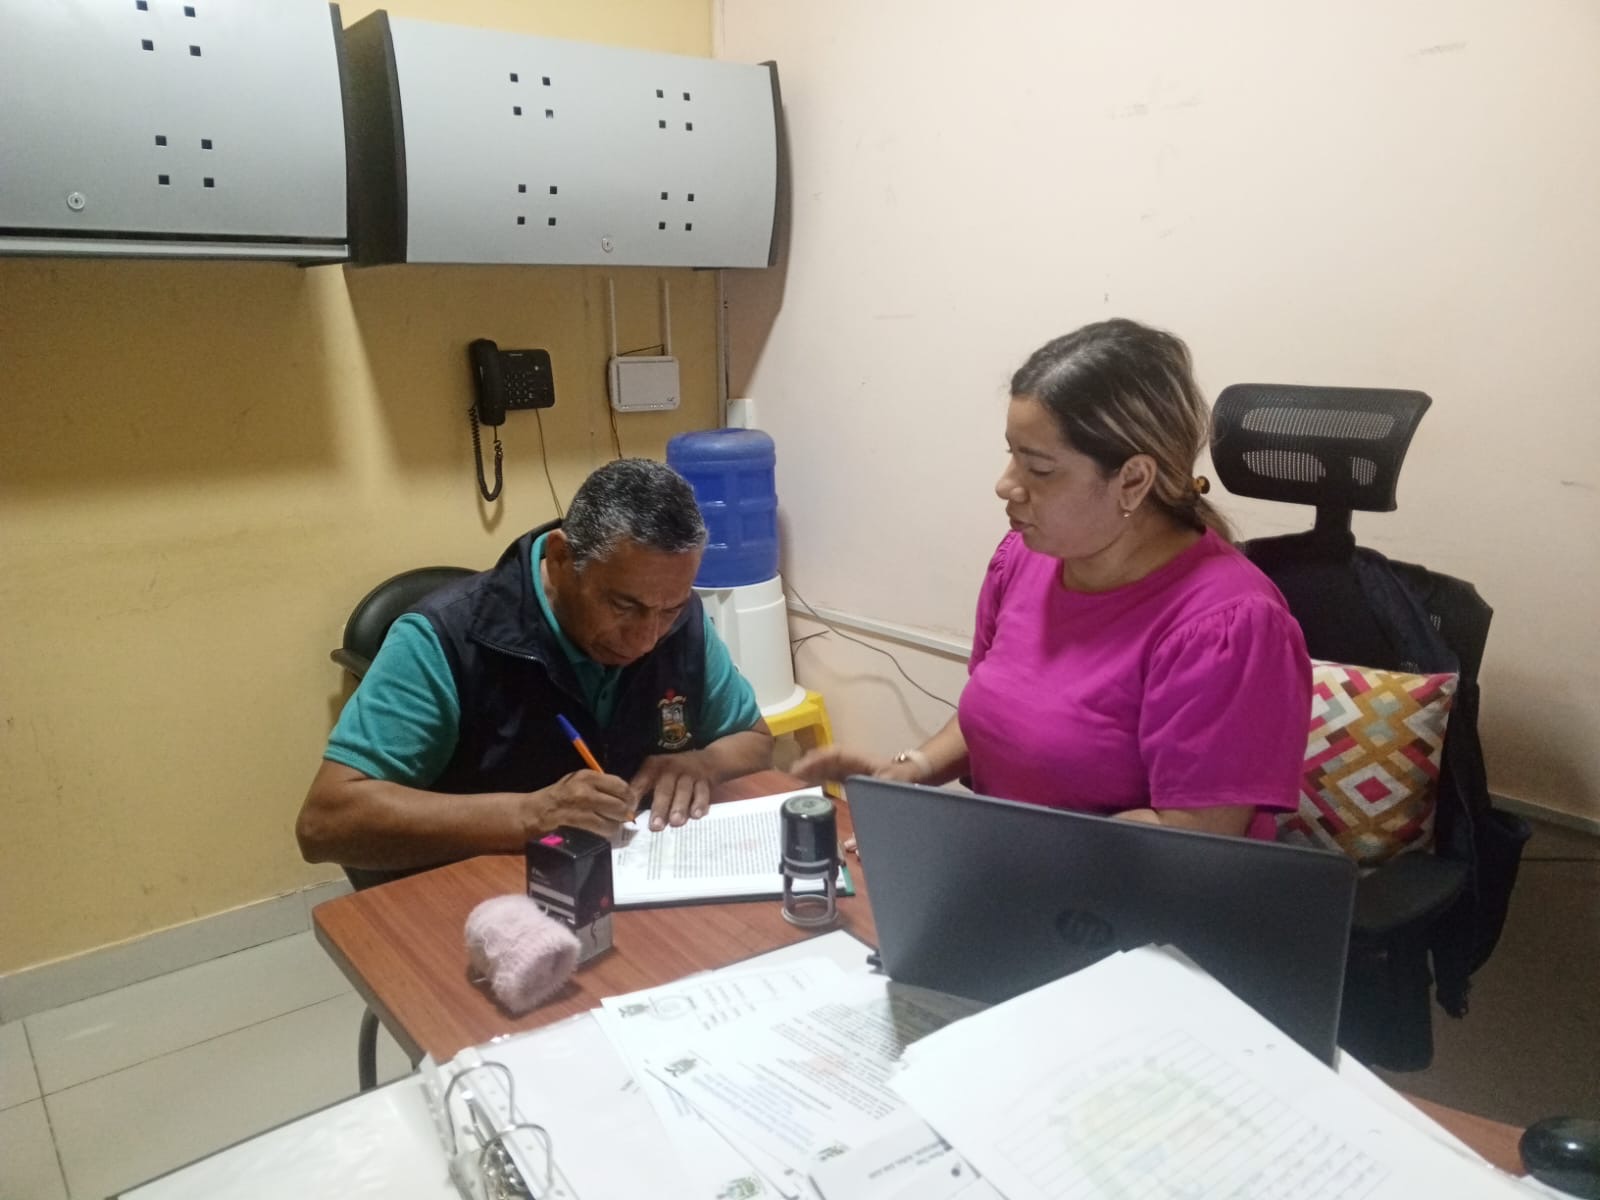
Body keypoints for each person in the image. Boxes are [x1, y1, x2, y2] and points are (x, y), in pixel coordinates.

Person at [797, 318, 1310, 840]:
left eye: (1039, 469)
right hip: (1013, 863)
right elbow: (1001, 719)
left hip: (1125, 888)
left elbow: (1193, 844)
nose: (1005, 486)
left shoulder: (1227, 626)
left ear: (1133, 480)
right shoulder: (1023, 558)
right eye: (1012, 456)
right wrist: (912, 770)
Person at [297, 458, 774, 885]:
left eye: (669, 608)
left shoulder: (681, 621)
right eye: (623, 605)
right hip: (477, 897)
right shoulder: (445, 637)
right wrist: (528, 815)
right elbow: (324, 824)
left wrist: (704, 763)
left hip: (622, 882)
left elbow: (754, 739)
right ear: (561, 558)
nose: (647, 638)